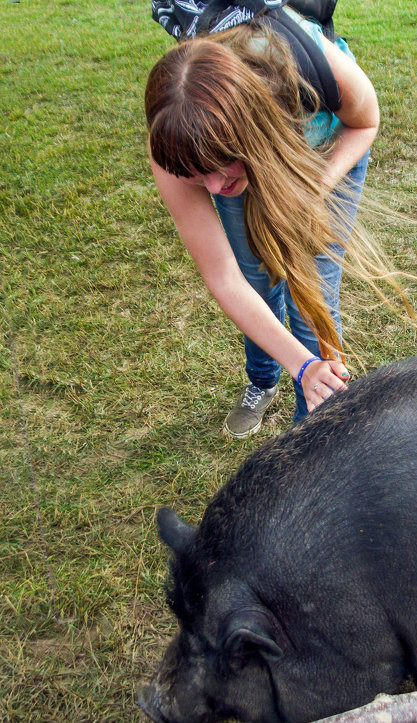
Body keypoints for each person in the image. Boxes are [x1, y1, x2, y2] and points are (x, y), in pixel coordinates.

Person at [145, 3, 395, 437]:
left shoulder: (312, 64)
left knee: (311, 290)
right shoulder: (175, 149)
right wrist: (303, 366)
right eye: (197, 175)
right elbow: (225, 279)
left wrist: (311, 193)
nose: (214, 187)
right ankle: (263, 380)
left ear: (252, 135)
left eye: (222, 167)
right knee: (255, 277)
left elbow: (365, 122)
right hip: (251, 151)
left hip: (321, 154)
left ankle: (312, 425)